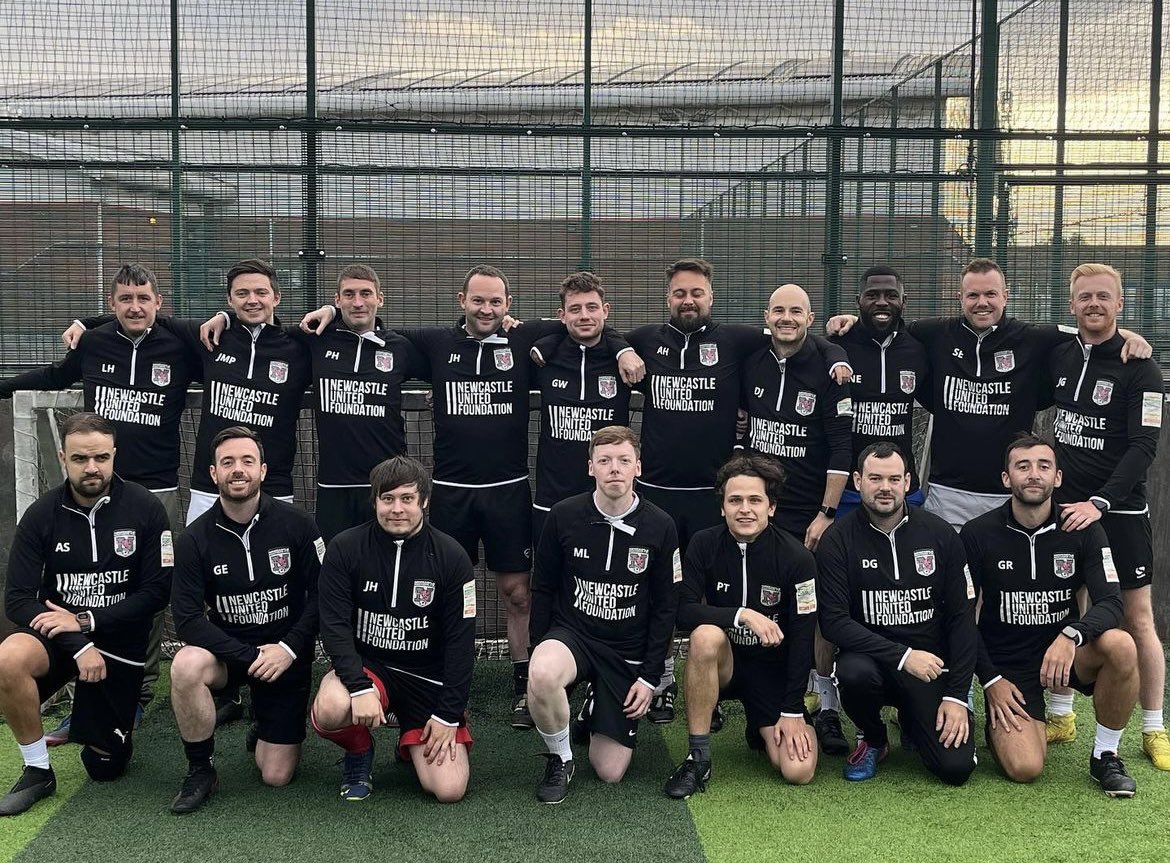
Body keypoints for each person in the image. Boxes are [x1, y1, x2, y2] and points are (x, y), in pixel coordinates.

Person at [302, 264, 639, 729]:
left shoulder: (525, 341)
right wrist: (331, 311)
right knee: (438, 591)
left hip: (509, 492)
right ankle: (435, 683)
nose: (486, 309)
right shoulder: (433, 344)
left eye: (496, 302)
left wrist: (620, 346)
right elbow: (371, 332)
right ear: (461, 300)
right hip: (451, 492)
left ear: (508, 307)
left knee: (518, 592)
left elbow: (588, 323)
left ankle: (525, 685)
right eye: (478, 300)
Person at [624, 258, 851, 724]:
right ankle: (665, 679)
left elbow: (809, 342)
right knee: (666, 591)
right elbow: (595, 333)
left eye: (697, 293)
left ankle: (798, 690)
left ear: (712, 297)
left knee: (763, 593)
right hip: (661, 494)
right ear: (668, 298)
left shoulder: (736, 340)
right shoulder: (646, 340)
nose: (689, 300)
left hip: (724, 498)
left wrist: (839, 353)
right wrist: (621, 350)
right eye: (680, 293)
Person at [3, 263, 197, 726]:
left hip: (157, 490)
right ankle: (85, 688)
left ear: (158, 304)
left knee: (149, 592)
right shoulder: (93, 342)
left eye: (144, 298)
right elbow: (53, 376)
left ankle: (138, 687)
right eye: (125, 299)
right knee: (84, 586)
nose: (135, 307)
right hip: (91, 492)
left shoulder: (180, 344)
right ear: (111, 305)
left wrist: (87, 318)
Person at [826, 258, 1150, 529]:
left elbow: (1089, 327)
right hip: (946, 493)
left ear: (1006, 296)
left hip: (1009, 494)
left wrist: (1128, 335)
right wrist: (852, 321)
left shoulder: (1033, 338)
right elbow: (885, 325)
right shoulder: (933, 334)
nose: (982, 303)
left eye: (991, 294)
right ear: (960, 298)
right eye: (973, 295)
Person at [0, 413, 171, 816]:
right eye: (80, 459)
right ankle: (37, 770)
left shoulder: (146, 509)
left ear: (114, 456)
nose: (91, 468)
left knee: (105, 767)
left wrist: (87, 621)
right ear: (62, 458)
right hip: (60, 639)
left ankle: (97, 721)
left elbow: (157, 591)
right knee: (8, 658)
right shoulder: (41, 515)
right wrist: (77, 642)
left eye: (100, 457)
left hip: (118, 643)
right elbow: (18, 599)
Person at [64, 259, 312, 526]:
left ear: (276, 297)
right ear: (229, 300)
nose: (252, 300)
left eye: (260, 293)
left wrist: (331, 311)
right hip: (209, 484)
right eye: (242, 293)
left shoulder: (299, 345)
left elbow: (348, 329)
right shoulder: (209, 338)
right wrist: (85, 323)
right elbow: (143, 315)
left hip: (274, 482)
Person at [961, 435, 1138, 796]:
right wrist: (991, 680)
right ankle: (1001, 726)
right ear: (1006, 478)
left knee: (1121, 645)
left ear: (1057, 477)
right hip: (1009, 664)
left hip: (1066, 655)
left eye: (1044, 466)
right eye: (1022, 467)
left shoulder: (1083, 529)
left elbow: (1111, 602)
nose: (1033, 475)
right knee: (1026, 768)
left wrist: (1072, 634)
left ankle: (1105, 754)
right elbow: (962, 618)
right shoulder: (977, 533)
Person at [1043, 263, 1166, 768]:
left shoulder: (1143, 368)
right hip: (1065, 508)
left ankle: (1154, 726)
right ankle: (1061, 713)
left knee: (1137, 618)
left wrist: (1101, 502)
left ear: (1120, 304)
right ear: (1072, 306)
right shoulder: (1060, 352)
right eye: (1085, 297)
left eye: (1104, 297)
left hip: (1118, 512)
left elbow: (1143, 446)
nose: (1094, 304)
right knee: (1067, 607)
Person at [202, 264, 422, 543]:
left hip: (387, 485)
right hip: (333, 486)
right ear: (337, 299)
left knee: (391, 565)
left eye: (365, 294)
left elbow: (443, 360)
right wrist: (226, 317)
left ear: (380, 298)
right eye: (348, 295)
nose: (357, 302)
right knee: (336, 566)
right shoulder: (315, 339)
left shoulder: (400, 346)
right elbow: (267, 331)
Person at [167, 426, 323, 814]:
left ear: (263, 470)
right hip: (231, 657)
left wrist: (287, 649)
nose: (238, 470)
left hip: (285, 657)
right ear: (213, 473)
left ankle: (263, 722)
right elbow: (187, 619)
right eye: (228, 463)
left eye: (247, 461)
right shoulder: (191, 540)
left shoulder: (298, 525)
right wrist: (248, 654)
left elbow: (324, 597)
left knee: (276, 775)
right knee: (185, 665)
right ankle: (201, 769)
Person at [526, 426, 679, 804]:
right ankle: (560, 758)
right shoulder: (563, 516)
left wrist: (649, 677)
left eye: (624, 461)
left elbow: (665, 607)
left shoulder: (661, 525)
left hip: (625, 649)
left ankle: (594, 707)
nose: (615, 469)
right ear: (590, 467)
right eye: (605, 461)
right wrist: (537, 648)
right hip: (574, 636)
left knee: (610, 771)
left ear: (638, 467)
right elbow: (542, 588)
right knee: (543, 673)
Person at [312, 456, 475, 803]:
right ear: (374, 501)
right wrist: (358, 687)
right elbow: (335, 626)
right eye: (387, 499)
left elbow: (461, 643)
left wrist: (447, 714)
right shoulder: (345, 547)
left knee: (449, 790)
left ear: (424, 501)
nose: (396, 509)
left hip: (427, 679)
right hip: (372, 670)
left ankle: (411, 740)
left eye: (407, 498)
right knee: (331, 706)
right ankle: (359, 752)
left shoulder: (452, 556)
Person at [817, 441, 977, 785]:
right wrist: (903, 656)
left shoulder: (941, 534)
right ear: (858, 481)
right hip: (872, 662)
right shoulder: (836, 541)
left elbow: (963, 618)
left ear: (907, 482)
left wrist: (956, 694)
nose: (885, 488)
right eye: (875, 479)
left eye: (893, 479)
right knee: (853, 672)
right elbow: (833, 622)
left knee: (955, 769)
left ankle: (913, 718)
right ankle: (874, 738)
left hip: (930, 669)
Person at [739, 281, 854, 754]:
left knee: (818, 609)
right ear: (766, 316)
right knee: (763, 604)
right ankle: (761, 704)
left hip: (812, 515)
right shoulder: (752, 361)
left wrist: (826, 512)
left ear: (810, 318)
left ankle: (825, 704)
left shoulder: (831, 370)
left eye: (797, 311)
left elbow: (843, 448)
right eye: (778, 311)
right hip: (762, 511)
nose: (786, 318)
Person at [664, 453, 818, 799]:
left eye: (754, 500)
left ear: (771, 507)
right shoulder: (704, 544)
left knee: (799, 770)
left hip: (771, 674)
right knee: (705, 635)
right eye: (735, 500)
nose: (744, 509)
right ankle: (698, 757)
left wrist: (792, 709)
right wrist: (742, 614)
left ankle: (763, 726)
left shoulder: (798, 558)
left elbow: (803, 637)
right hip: (726, 665)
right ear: (723, 508)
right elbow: (683, 612)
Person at [529, 272, 632, 545]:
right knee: (549, 581)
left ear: (606, 311)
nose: (584, 316)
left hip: (608, 497)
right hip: (552, 497)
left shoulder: (626, 358)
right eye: (575, 309)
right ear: (562, 316)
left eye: (592, 307)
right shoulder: (546, 357)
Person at [827, 266, 929, 518]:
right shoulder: (836, 347)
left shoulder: (919, 350)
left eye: (891, 295)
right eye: (872, 295)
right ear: (858, 301)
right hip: (846, 490)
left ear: (903, 301)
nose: (882, 302)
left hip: (901, 490)